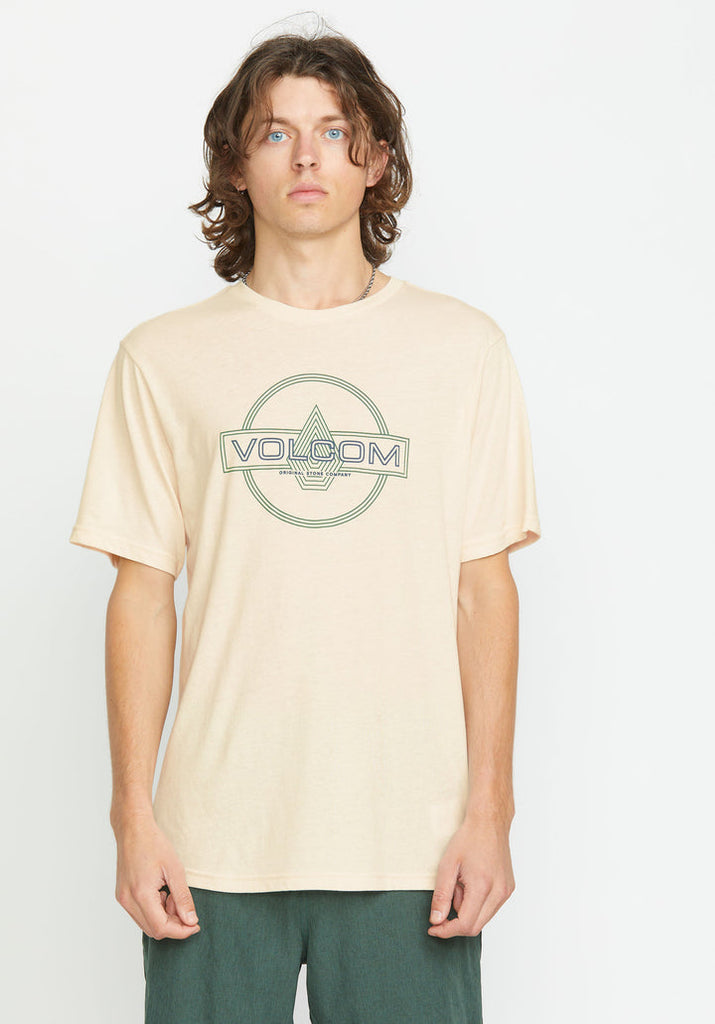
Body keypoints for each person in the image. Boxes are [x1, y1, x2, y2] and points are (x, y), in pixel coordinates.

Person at [69, 22, 541, 1024]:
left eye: (334, 131)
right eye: (275, 133)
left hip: (413, 842)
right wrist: (133, 817)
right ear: (235, 165)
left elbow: (482, 589)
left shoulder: (462, 350)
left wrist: (490, 811)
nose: (307, 156)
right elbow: (142, 593)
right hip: (212, 842)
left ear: (377, 162)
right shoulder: (162, 357)